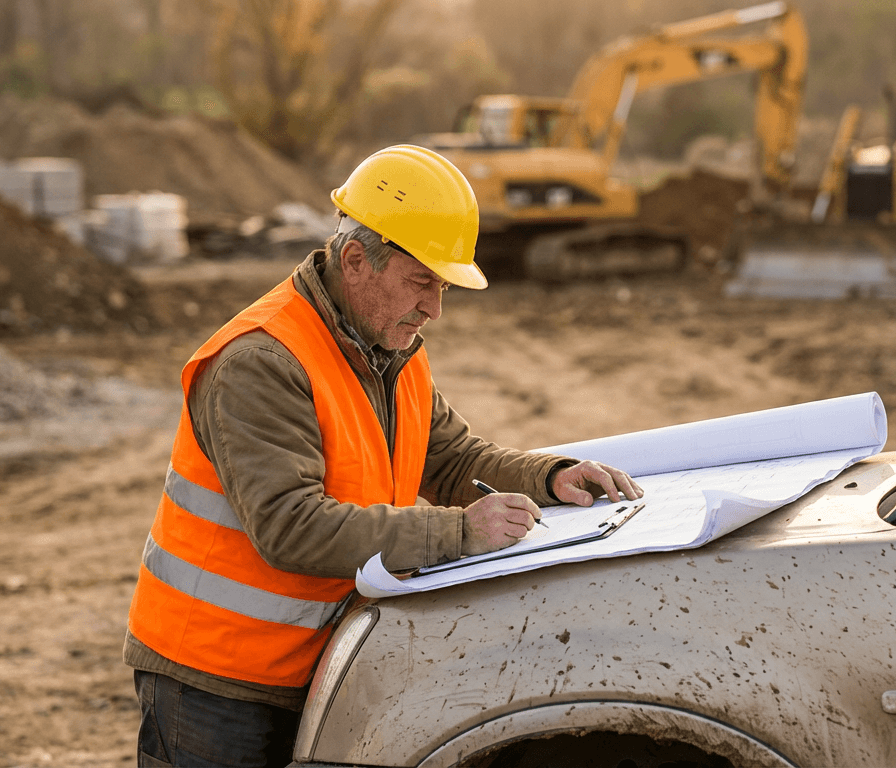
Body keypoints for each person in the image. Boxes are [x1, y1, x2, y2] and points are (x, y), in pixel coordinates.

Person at [124, 144, 642, 767]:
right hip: (211, 677)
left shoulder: (388, 348)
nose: (435, 308)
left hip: (311, 663)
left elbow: (451, 460)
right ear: (355, 260)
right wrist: (459, 533)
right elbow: (290, 526)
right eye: (422, 281)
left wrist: (551, 477)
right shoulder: (261, 362)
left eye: (443, 286)